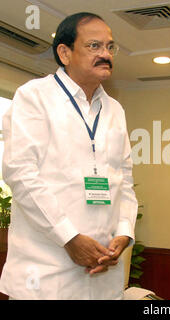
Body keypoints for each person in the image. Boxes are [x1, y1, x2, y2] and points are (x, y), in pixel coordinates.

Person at [0, 12, 138, 299]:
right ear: (64, 52)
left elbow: (124, 180)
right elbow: (22, 175)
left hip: (103, 278)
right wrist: (70, 238)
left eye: (110, 47)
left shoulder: (115, 109)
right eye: (94, 46)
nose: (106, 54)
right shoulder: (34, 96)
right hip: (46, 279)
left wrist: (124, 234)